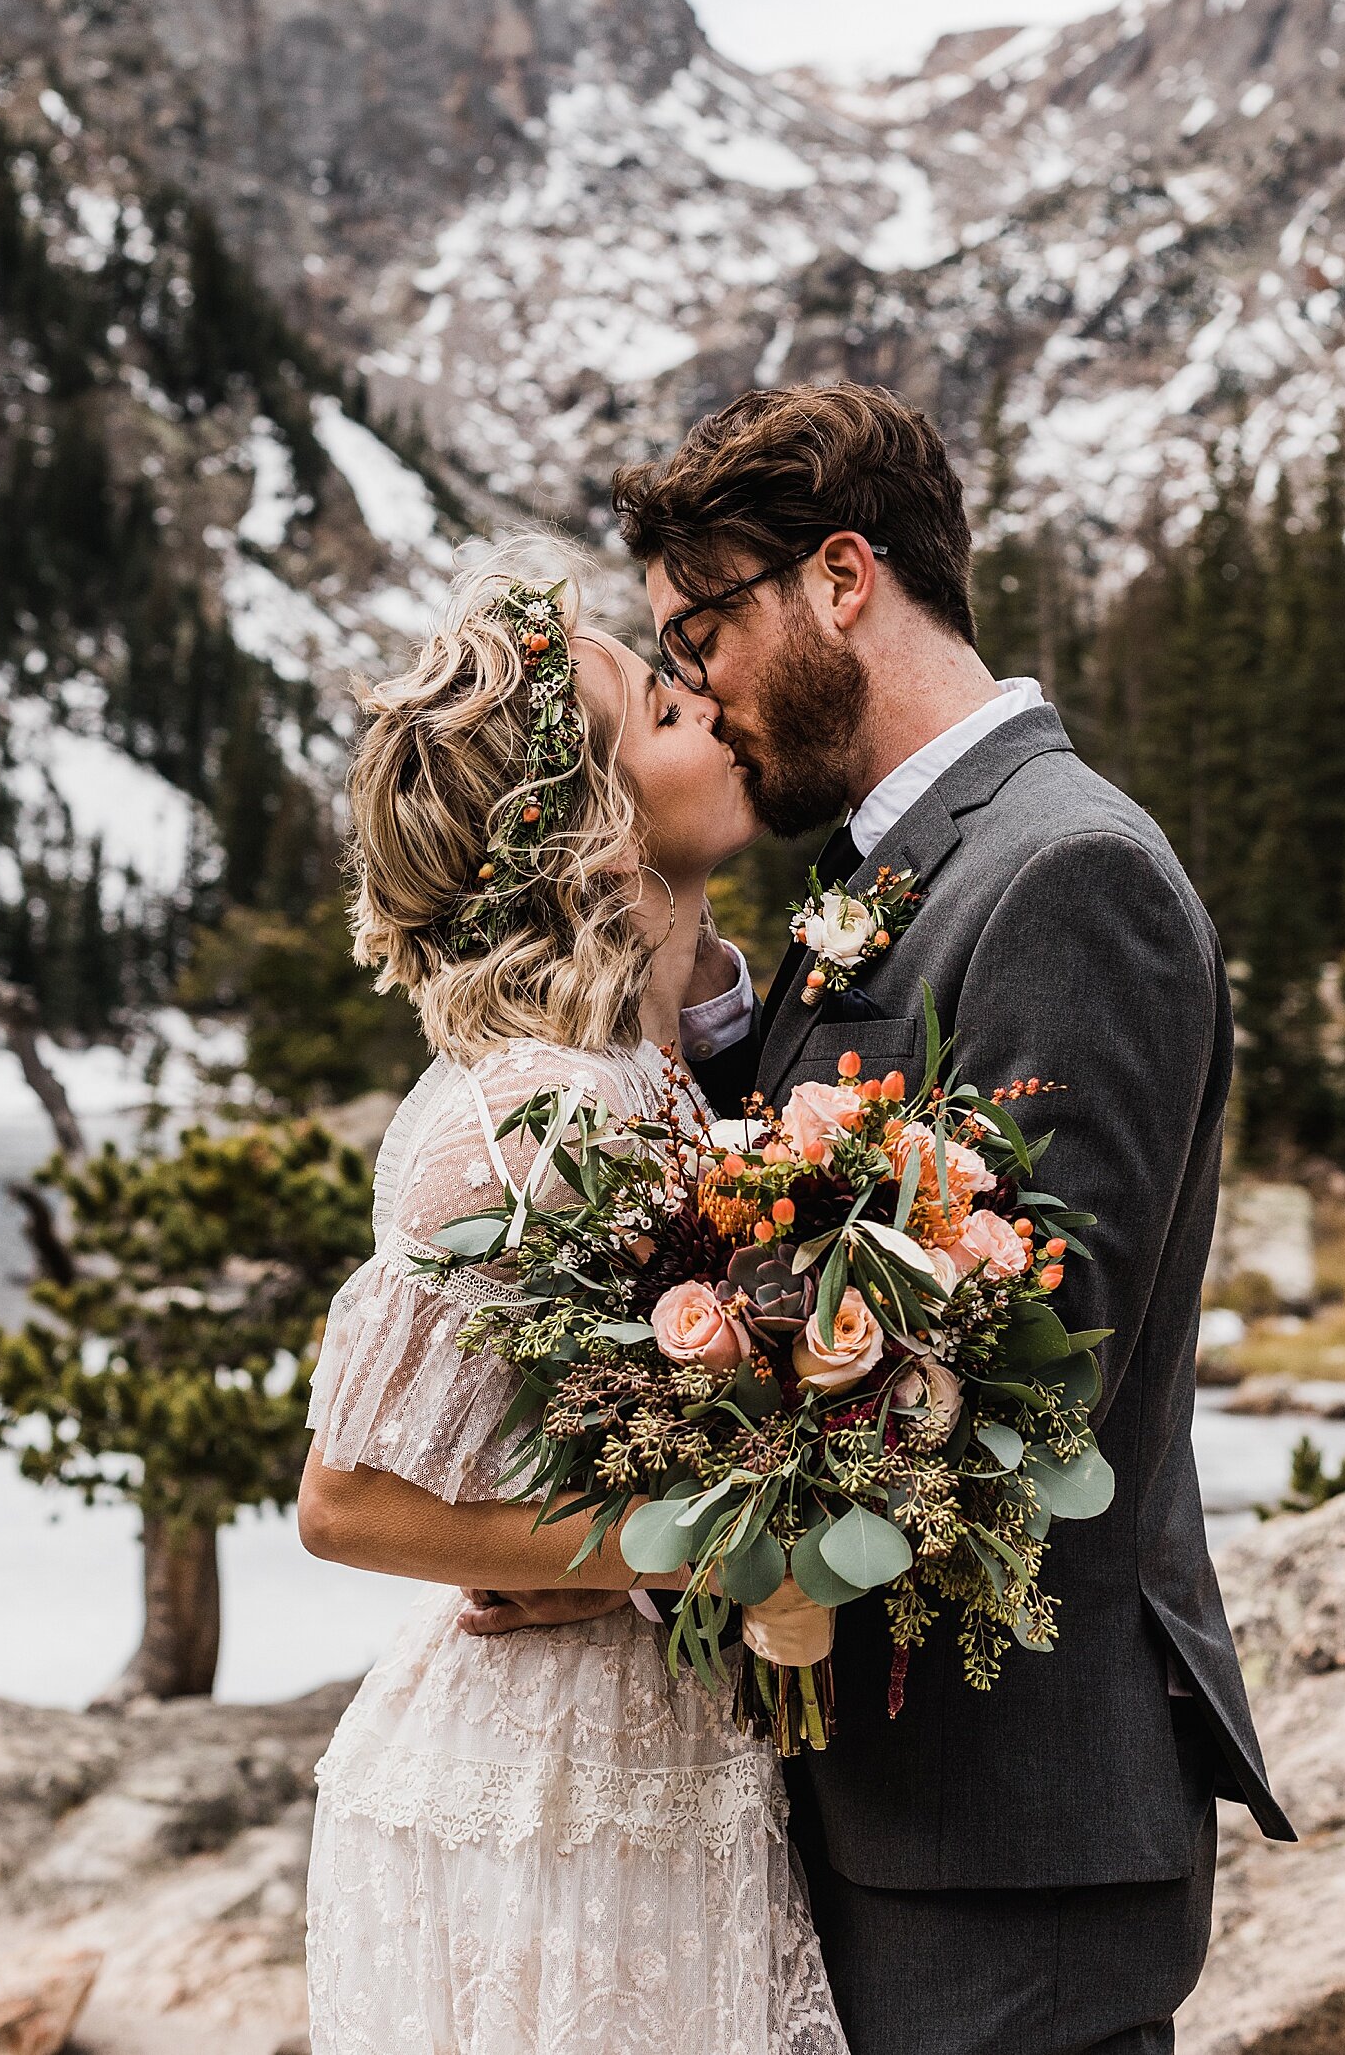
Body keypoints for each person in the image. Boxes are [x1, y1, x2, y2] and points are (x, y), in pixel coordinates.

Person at [479, 382, 1294, 2055]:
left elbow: (1000, 1389)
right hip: (889, 1813)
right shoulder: (904, 864)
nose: (693, 687)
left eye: (699, 629)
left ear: (841, 579)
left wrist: (631, 1564)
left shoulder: (1072, 875)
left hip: (1007, 1839)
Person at [296, 547, 849, 2055]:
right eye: (662, 708)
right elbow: (343, 1501)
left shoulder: (657, 1065)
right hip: (549, 1787)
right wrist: (691, 1552)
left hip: (655, 1746)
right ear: (595, 840)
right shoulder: (531, 1110)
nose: (707, 707)